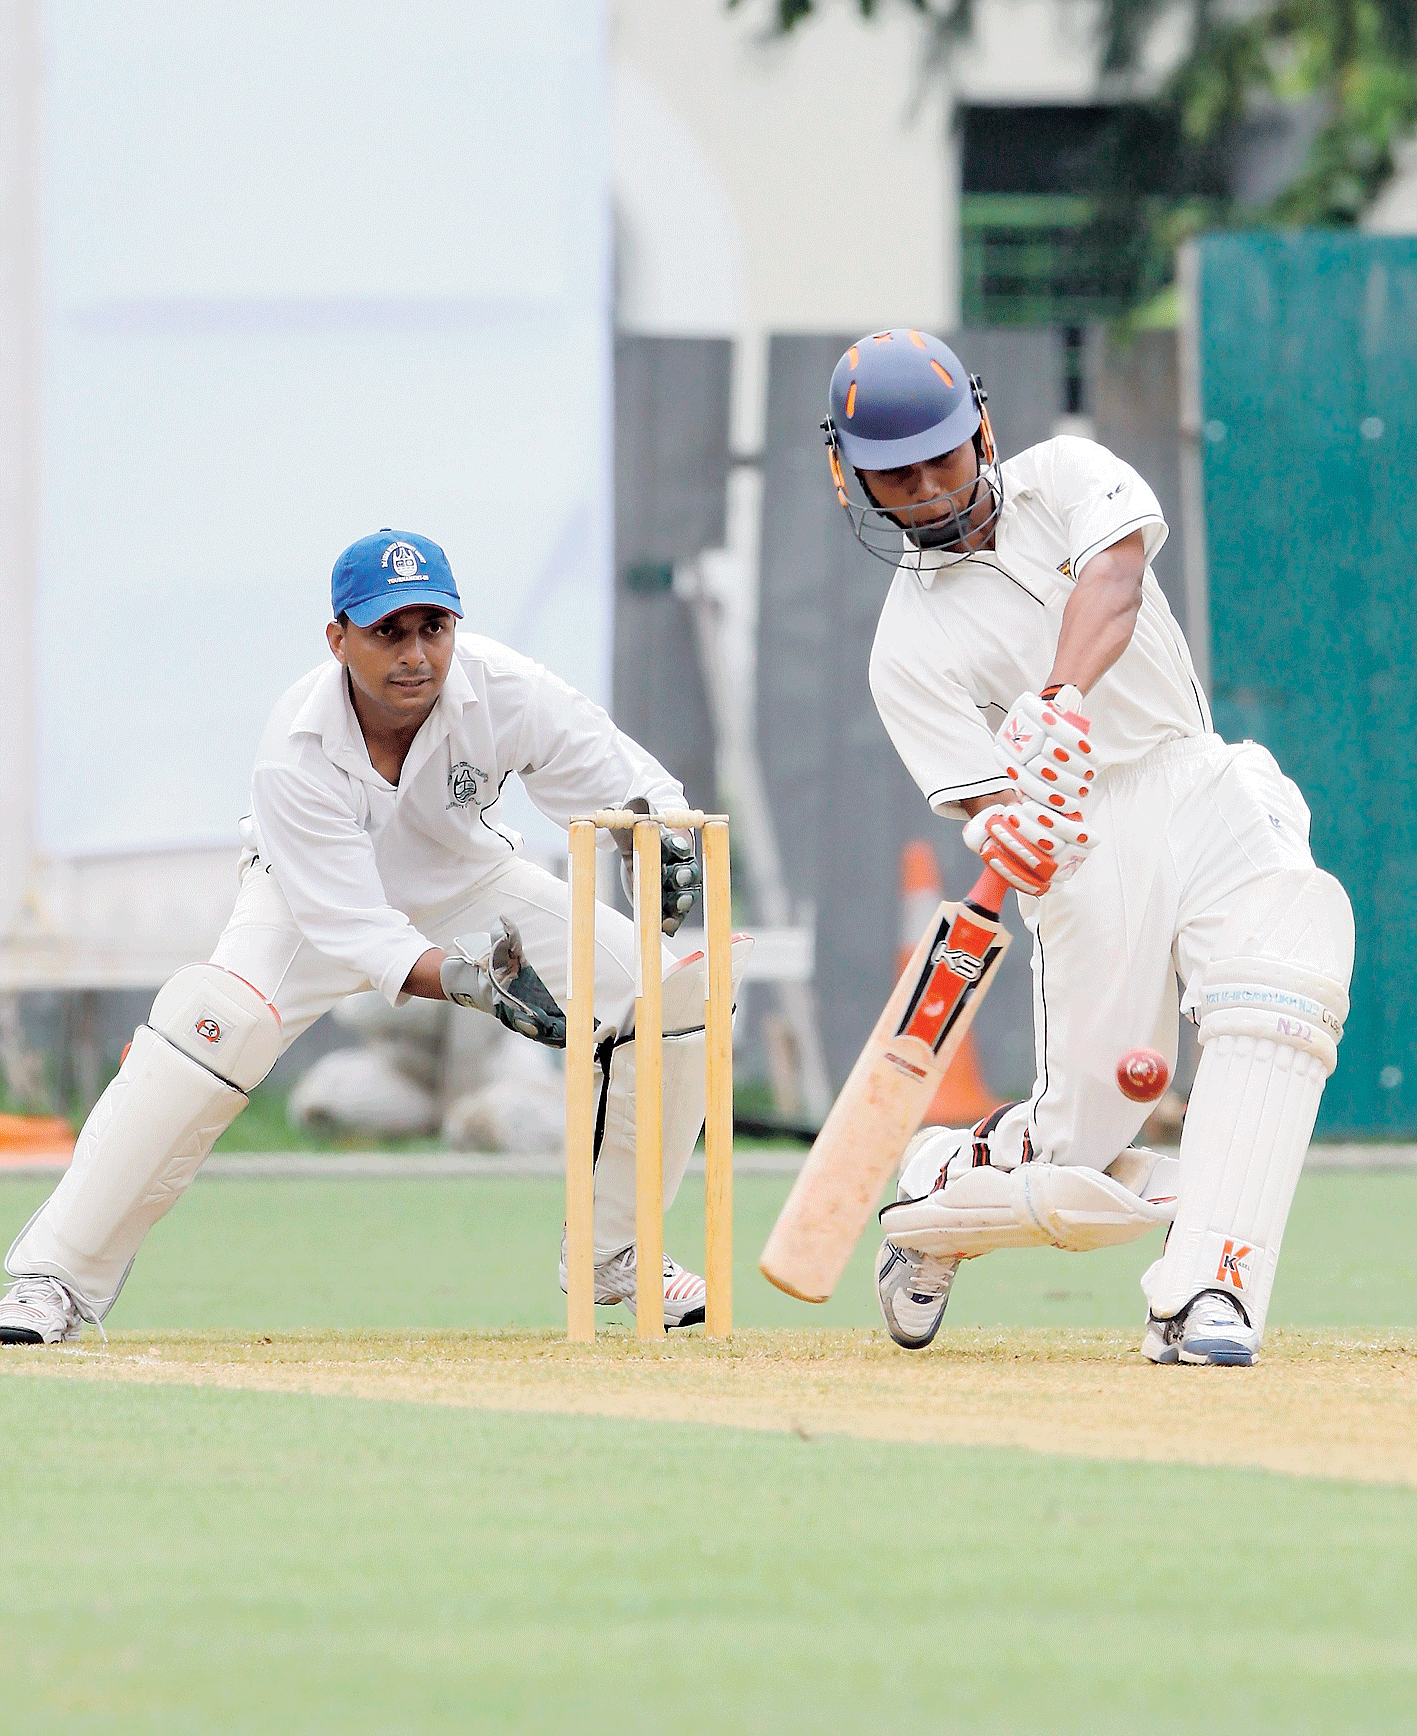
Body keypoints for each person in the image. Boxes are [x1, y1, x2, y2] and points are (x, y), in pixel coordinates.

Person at [0, 530, 724, 1343]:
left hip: (466, 881)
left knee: (672, 995)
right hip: (302, 905)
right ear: (338, 638)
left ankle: (616, 1251)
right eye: (388, 632)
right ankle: (51, 1280)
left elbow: (628, 786)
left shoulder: (503, 687)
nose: (415, 655)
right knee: (209, 1028)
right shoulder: (295, 748)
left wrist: (655, 839)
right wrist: (466, 983)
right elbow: (349, 925)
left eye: (433, 628)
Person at [824, 330, 1353, 1367]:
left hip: (1191, 775)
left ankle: (1208, 1292)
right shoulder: (905, 648)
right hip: (1081, 850)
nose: (930, 487)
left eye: (943, 454)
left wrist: (1057, 700)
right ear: (852, 479)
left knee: (1285, 968)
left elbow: (1112, 579)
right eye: (897, 472)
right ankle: (942, 1184)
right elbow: (984, 805)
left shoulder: (1066, 473)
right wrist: (1018, 821)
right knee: (1086, 1150)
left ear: (980, 427)